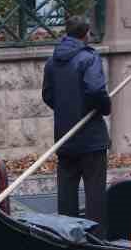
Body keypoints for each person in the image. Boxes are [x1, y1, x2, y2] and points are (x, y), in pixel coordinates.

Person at [42, 16, 111, 224]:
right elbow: (96, 90)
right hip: (91, 139)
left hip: (65, 138)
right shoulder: (89, 57)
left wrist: (67, 110)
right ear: (85, 34)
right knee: (95, 196)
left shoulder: (52, 61)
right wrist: (104, 108)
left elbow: (48, 95)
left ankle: (67, 239)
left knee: (67, 197)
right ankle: (96, 241)